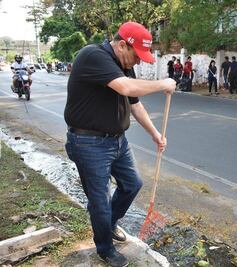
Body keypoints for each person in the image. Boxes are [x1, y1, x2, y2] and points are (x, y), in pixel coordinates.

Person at [64, 21, 176, 267]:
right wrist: (162, 84)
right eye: (137, 56)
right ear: (123, 45)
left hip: (117, 142)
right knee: (100, 201)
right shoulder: (93, 55)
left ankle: (109, 223)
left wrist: (156, 134)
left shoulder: (125, 65)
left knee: (132, 184)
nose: (138, 62)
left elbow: (135, 104)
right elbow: (124, 87)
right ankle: (105, 248)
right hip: (88, 143)